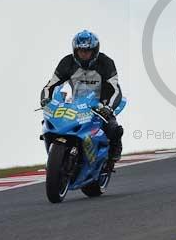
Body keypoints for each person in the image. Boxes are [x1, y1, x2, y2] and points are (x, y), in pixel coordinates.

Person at [40, 30, 124, 162]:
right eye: (81, 51)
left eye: (87, 51)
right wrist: (45, 100)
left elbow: (115, 89)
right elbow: (50, 85)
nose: (84, 54)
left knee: (112, 127)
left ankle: (115, 150)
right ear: (75, 51)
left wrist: (108, 108)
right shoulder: (67, 62)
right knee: (49, 121)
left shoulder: (106, 63)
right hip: (74, 104)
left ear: (94, 51)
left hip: (100, 104)